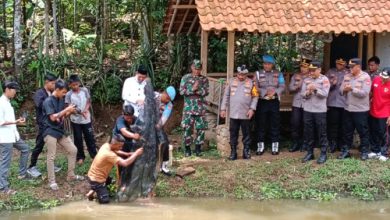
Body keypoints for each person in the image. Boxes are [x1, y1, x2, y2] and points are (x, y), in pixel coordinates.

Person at [42, 79, 84, 191]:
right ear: (57, 89)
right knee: (51, 156)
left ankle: (71, 175)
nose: (65, 94)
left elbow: (61, 117)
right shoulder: (48, 101)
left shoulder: (61, 99)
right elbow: (53, 117)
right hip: (49, 130)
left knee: (73, 150)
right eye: (64, 92)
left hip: (60, 130)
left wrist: (70, 111)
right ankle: (52, 181)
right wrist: (66, 109)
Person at [86, 134, 144, 204]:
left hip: (93, 175)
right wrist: (136, 154)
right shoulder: (109, 154)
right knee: (105, 202)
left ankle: (91, 192)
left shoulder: (106, 145)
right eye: (120, 146)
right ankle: (95, 190)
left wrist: (127, 154)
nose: (121, 147)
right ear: (114, 144)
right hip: (97, 180)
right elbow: (125, 163)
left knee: (110, 181)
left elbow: (116, 150)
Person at [220, 65, 259, 160]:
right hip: (233, 112)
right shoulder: (231, 81)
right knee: (233, 133)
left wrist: (252, 109)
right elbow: (226, 96)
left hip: (246, 113)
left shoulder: (251, 83)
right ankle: (233, 152)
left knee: (247, 133)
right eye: (239, 74)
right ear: (237, 73)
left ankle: (246, 151)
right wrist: (223, 109)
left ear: (246, 74)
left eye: (243, 75)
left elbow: (255, 97)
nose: (241, 76)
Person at [27, 73, 60, 178]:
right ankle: (32, 166)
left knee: (52, 146)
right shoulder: (39, 93)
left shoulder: (51, 93)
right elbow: (40, 105)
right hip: (43, 125)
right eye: (53, 83)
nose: (54, 86)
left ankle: (51, 165)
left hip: (52, 125)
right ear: (46, 82)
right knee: (39, 145)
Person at [0, 81, 30, 195]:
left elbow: (9, 121)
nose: (15, 93)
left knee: (26, 149)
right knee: (5, 162)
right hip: (5, 137)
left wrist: (17, 121)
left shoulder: (8, 102)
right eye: (14, 90)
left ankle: (22, 174)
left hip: (13, 135)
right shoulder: (1, 102)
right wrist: (15, 121)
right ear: (7, 89)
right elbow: (1, 122)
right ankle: (3, 187)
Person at [339, 58, 371, 160]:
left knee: (363, 131)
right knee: (347, 131)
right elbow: (340, 91)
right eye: (350, 67)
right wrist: (344, 89)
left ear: (358, 67)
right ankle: (346, 151)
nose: (350, 69)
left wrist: (352, 89)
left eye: (352, 67)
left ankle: (364, 151)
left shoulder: (365, 77)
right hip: (348, 108)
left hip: (360, 110)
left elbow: (364, 93)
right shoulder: (347, 76)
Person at [254, 55, 285, 155]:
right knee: (261, 123)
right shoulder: (258, 74)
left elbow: (282, 86)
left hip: (274, 102)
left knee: (275, 124)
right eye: (265, 64)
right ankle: (260, 146)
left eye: (269, 64)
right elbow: (255, 86)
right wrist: (264, 92)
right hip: (262, 101)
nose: (267, 65)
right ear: (263, 64)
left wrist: (275, 92)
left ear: (272, 65)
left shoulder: (278, 74)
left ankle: (275, 146)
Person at [301, 62, 330, 164]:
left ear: (319, 70)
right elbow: (302, 94)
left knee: (321, 132)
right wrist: (308, 92)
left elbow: (325, 94)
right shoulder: (306, 79)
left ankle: (323, 154)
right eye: (310, 70)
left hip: (320, 110)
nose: (312, 72)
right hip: (308, 109)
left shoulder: (324, 79)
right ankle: (310, 153)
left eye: (314, 70)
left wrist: (315, 89)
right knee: (309, 132)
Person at [179, 59, 209, 157]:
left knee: (201, 129)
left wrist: (197, 90)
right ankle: (187, 149)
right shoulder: (185, 78)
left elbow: (206, 92)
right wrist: (192, 89)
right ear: (192, 67)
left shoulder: (204, 79)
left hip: (200, 109)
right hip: (188, 109)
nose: (197, 71)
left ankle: (198, 149)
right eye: (196, 69)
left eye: (199, 69)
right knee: (187, 129)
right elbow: (182, 92)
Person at [65, 75, 97, 165]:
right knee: (78, 138)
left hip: (86, 119)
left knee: (90, 137)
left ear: (79, 83)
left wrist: (86, 109)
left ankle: (94, 155)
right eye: (73, 85)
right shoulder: (68, 94)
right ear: (70, 85)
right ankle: (80, 157)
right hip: (75, 120)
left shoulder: (85, 90)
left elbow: (88, 101)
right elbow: (68, 108)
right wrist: (79, 112)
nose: (75, 87)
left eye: (76, 84)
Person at [326, 58, 349, 153]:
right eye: (337, 63)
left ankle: (341, 144)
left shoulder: (348, 73)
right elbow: (324, 85)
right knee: (333, 124)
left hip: (344, 103)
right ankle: (333, 144)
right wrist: (332, 83)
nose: (339, 65)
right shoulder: (330, 72)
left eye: (341, 64)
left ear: (345, 64)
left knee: (343, 125)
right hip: (332, 102)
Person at [288, 58, 311, 152]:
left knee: (306, 124)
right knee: (295, 123)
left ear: (309, 67)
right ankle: (295, 143)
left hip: (308, 104)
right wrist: (297, 86)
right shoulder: (295, 76)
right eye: (301, 66)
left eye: (305, 67)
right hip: (297, 103)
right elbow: (290, 88)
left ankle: (305, 144)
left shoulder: (312, 77)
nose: (302, 69)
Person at [367, 68, 390, 161]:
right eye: (382, 76)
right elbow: (371, 93)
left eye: (385, 77)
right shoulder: (376, 79)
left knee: (383, 133)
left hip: (385, 112)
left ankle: (384, 152)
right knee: (373, 131)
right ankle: (375, 150)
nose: (383, 79)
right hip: (373, 110)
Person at [155, 86, 176, 175]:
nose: (167, 101)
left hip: (157, 125)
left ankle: (164, 166)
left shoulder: (169, 105)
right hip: (145, 122)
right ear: (164, 92)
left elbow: (164, 119)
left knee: (165, 142)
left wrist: (157, 126)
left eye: (169, 100)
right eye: (167, 98)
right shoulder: (153, 96)